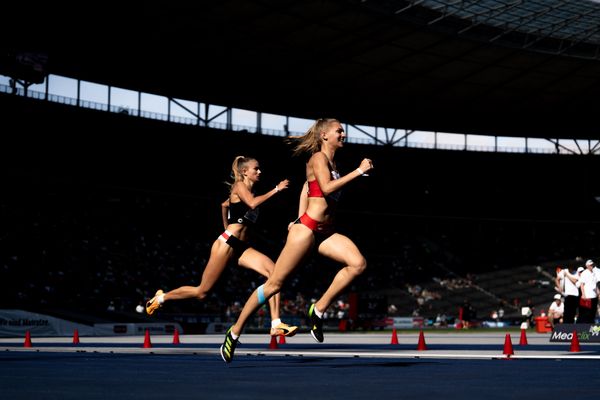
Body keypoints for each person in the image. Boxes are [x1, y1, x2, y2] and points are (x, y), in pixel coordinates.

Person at [220, 118, 374, 363]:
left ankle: (318, 309)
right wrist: (359, 171)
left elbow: (307, 186)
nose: (343, 134)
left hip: (325, 231)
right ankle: (235, 332)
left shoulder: (333, 162)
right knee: (274, 284)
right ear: (324, 135)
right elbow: (325, 188)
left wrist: (297, 214)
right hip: (307, 231)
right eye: (339, 131)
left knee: (358, 264)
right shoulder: (318, 159)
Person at [145, 156, 298, 337]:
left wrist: (226, 225)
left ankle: (276, 324)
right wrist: (276, 189)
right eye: (256, 169)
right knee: (202, 292)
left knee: (274, 273)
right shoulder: (239, 186)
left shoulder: (251, 191)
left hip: (241, 247)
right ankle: (161, 298)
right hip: (226, 245)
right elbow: (252, 203)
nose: (259, 172)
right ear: (244, 172)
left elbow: (224, 205)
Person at [577, 259, 598, 323]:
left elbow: (595, 284)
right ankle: (586, 327)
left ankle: (591, 327)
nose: (592, 266)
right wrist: (583, 294)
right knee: (587, 313)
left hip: (594, 296)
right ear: (587, 266)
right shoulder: (584, 273)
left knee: (593, 312)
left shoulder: (594, 272)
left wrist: (598, 292)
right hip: (588, 296)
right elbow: (582, 284)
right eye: (590, 265)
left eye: (592, 264)